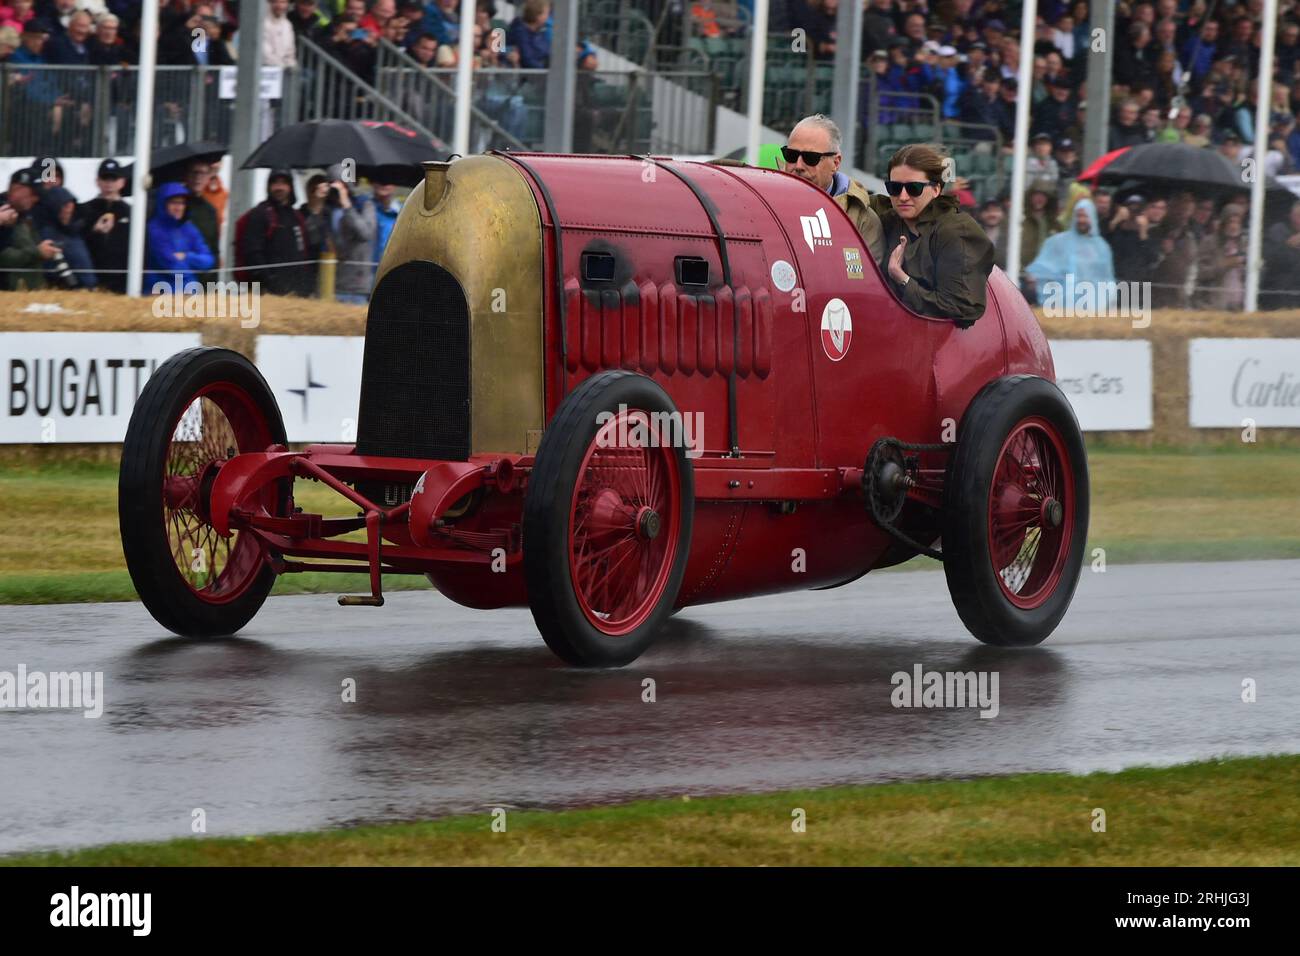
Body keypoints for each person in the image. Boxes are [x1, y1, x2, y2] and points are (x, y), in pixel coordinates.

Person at [866, 143, 995, 325]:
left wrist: (902, 278)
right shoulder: (889, 217)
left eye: (914, 188)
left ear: (936, 190)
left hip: (942, 346)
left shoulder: (955, 232)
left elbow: (961, 308)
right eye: (894, 187)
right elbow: (851, 200)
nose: (902, 196)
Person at [780, 114, 884, 266]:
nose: (798, 166)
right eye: (791, 155)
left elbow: (864, 284)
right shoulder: (761, 201)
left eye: (811, 158)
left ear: (835, 163)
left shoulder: (862, 219)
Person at [1024, 199, 1116, 307]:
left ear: (1092, 218)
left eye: (1085, 216)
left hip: (1093, 307)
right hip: (1062, 306)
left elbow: (1108, 278)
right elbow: (1040, 268)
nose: (1081, 220)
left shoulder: (1102, 247)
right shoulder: (1058, 241)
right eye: (1078, 215)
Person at [239, 170, 312, 297]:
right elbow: (253, 253)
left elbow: (303, 254)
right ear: (268, 186)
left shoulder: (297, 217)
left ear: (290, 187)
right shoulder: (260, 214)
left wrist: (305, 288)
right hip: (267, 294)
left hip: (296, 294)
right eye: (275, 183)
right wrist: (271, 283)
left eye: (283, 183)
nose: (279, 187)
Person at [146, 181, 214, 293]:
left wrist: (186, 256)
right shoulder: (154, 229)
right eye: (174, 203)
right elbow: (172, 267)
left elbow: (209, 261)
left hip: (190, 295)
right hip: (159, 295)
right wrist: (195, 263)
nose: (179, 207)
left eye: (182, 203)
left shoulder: (189, 228)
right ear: (163, 203)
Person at [77, 157, 131, 292]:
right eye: (105, 179)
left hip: (122, 281)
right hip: (93, 278)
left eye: (114, 179)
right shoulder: (84, 209)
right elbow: (77, 242)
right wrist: (94, 232)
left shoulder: (131, 213)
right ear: (98, 181)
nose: (109, 184)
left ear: (122, 182)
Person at [0, 167, 59, 290]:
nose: (35, 199)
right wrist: (37, 252)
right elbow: (3, 257)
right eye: (32, 194)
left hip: (27, 295)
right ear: (16, 189)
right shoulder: (5, 213)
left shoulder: (28, 215)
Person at [327, 163, 377, 304]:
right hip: (332, 283)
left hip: (357, 286)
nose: (337, 189)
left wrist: (347, 206)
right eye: (333, 184)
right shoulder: (328, 210)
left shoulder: (364, 205)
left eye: (341, 185)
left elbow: (365, 234)